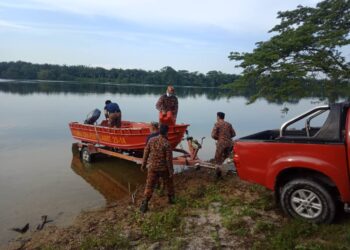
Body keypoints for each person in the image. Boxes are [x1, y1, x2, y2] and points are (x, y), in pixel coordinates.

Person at [140, 124, 175, 213]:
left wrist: (143, 165)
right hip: (163, 169)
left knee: (149, 185)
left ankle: (145, 203)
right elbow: (168, 159)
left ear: (159, 131)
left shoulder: (151, 140)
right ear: (167, 132)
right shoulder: (167, 143)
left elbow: (146, 153)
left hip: (152, 167)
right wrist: (171, 171)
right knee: (169, 183)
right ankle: (171, 199)